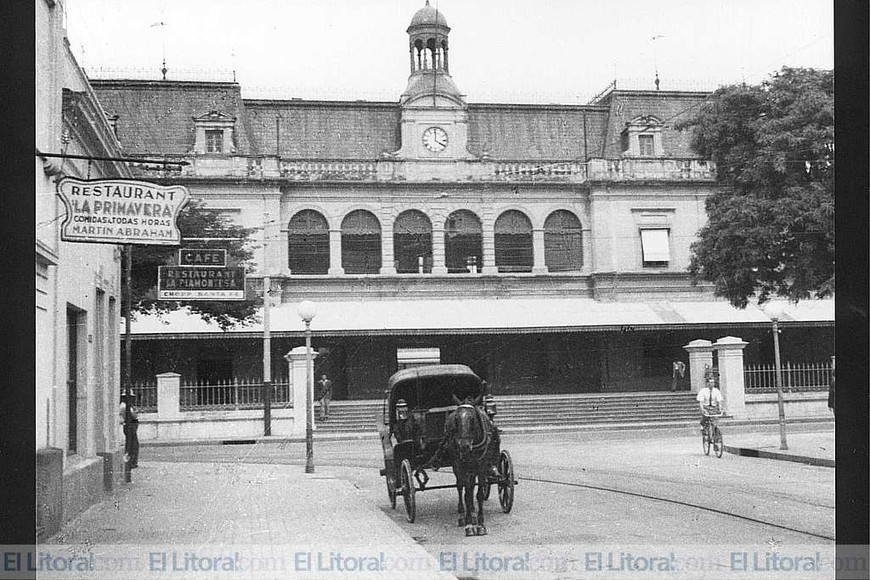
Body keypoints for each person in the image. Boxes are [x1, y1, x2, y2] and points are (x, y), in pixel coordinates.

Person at [119, 393, 139, 469]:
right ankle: (131, 462)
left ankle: (132, 461)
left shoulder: (126, 405)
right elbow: (134, 415)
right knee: (132, 444)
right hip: (130, 425)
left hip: (130, 425)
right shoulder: (125, 406)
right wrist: (135, 411)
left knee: (132, 444)